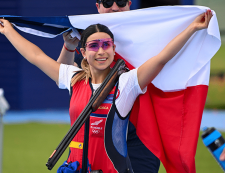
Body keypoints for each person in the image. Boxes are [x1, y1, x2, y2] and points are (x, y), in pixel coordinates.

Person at [0, 9, 212, 172]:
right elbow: (36, 56)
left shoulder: (127, 83)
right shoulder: (74, 78)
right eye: (93, 46)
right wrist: (9, 31)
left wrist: (192, 28)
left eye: (106, 45)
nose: (101, 51)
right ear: (83, 51)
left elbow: (162, 58)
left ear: (114, 49)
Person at [57, 0, 164, 172]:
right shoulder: (90, 39)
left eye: (121, 1)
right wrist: (69, 47)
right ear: (97, 6)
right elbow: (64, 75)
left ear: (129, 4)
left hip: (141, 140)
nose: (114, 7)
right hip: (100, 143)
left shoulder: (148, 38)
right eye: (107, 2)